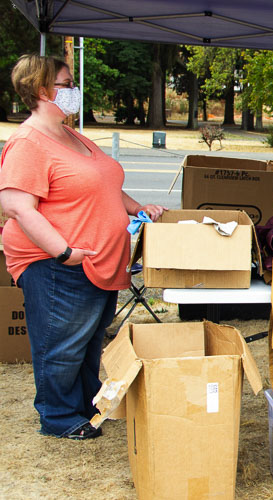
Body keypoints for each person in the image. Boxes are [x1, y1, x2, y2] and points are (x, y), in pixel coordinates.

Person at [0, 54, 167, 440]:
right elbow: (18, 207)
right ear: (42, 90)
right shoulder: (29, 141)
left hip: (95, 261)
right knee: (60, 345)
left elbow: (103, 184)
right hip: (58, 262)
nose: (74, 89)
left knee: (88, 343)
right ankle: (58, 417)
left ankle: (83, 406)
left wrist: (137, 207)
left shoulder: (70, 133)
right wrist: (63, 251)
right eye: (66, 83)